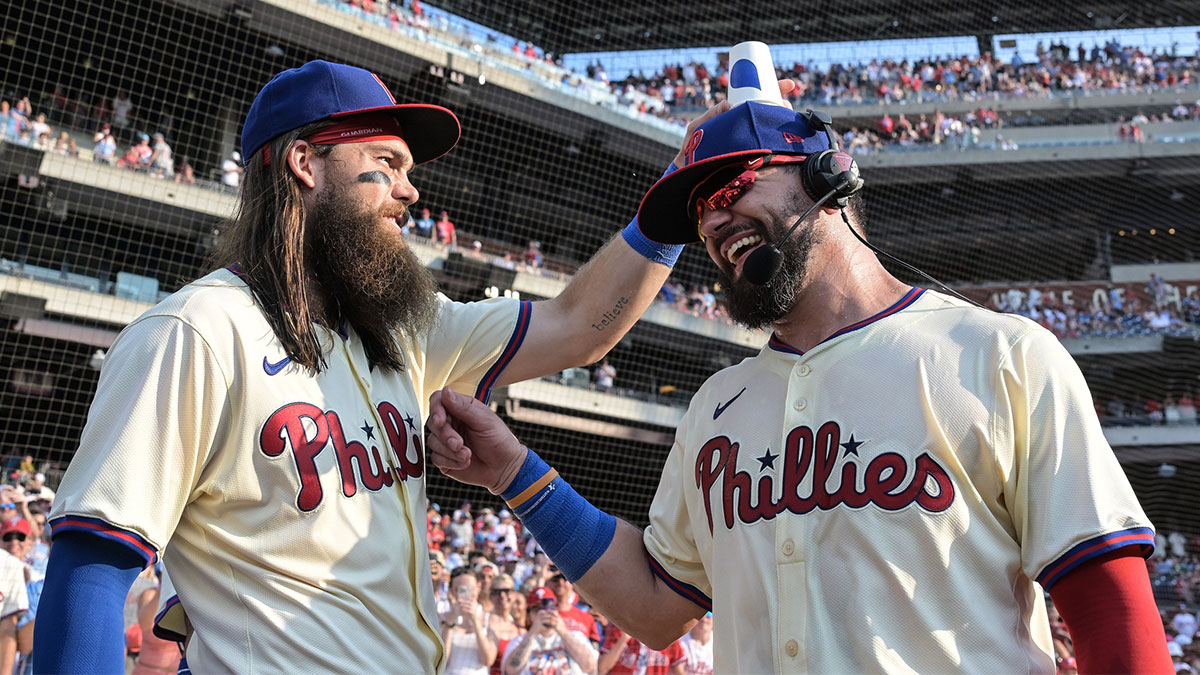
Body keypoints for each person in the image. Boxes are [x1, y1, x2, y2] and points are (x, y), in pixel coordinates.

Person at [425, 96, 1173, 672]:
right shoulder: (717, 408)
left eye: (730, 184)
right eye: (697, 214)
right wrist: (515, 475)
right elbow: (656, 605)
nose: (713, 219)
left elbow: (1110, 604)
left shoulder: (999, 353)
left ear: (830, 178)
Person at [37, 58, 683, 673]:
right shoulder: (197, 330)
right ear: (304, 163)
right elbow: (92, 566)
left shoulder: (405, 330)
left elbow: (576, 328)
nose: (411, 188)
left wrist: (677, 201)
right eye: (387, 162)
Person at [501, 589, 596, 675]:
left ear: (557, 610)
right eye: (537, 610)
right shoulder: (519, 640)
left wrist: (562, 630)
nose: (544, 614)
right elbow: (510, 671)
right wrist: (533, 631)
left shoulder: (576, 636)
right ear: (529, 615)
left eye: (549, 608)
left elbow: (590, 666)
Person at [441, 567, 497, 675]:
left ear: (478, 587)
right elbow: (442, 662)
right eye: (461, 589)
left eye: (470, 589)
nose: (466, 594)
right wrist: (449, 623)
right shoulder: (442, 618)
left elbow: (487, 660)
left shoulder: (490, 618)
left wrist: (475, 621)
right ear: (452, 591)